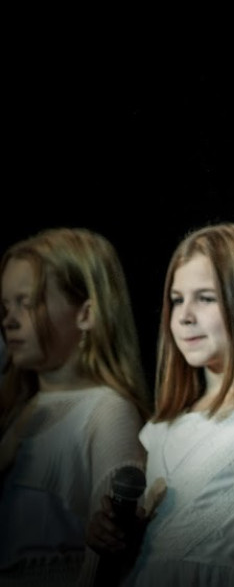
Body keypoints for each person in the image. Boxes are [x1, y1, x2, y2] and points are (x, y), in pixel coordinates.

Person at [88, 222, 234, 586]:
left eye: (206, 298)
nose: (184, 316)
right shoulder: (158, 430)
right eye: (177, 299)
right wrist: (118, 537)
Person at [0, 227, 150, 586]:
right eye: (5, 306)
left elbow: (112, 545)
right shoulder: (15, 408)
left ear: (86, 313)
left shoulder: (106, 411)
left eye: (28, 302)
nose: (8, 320)